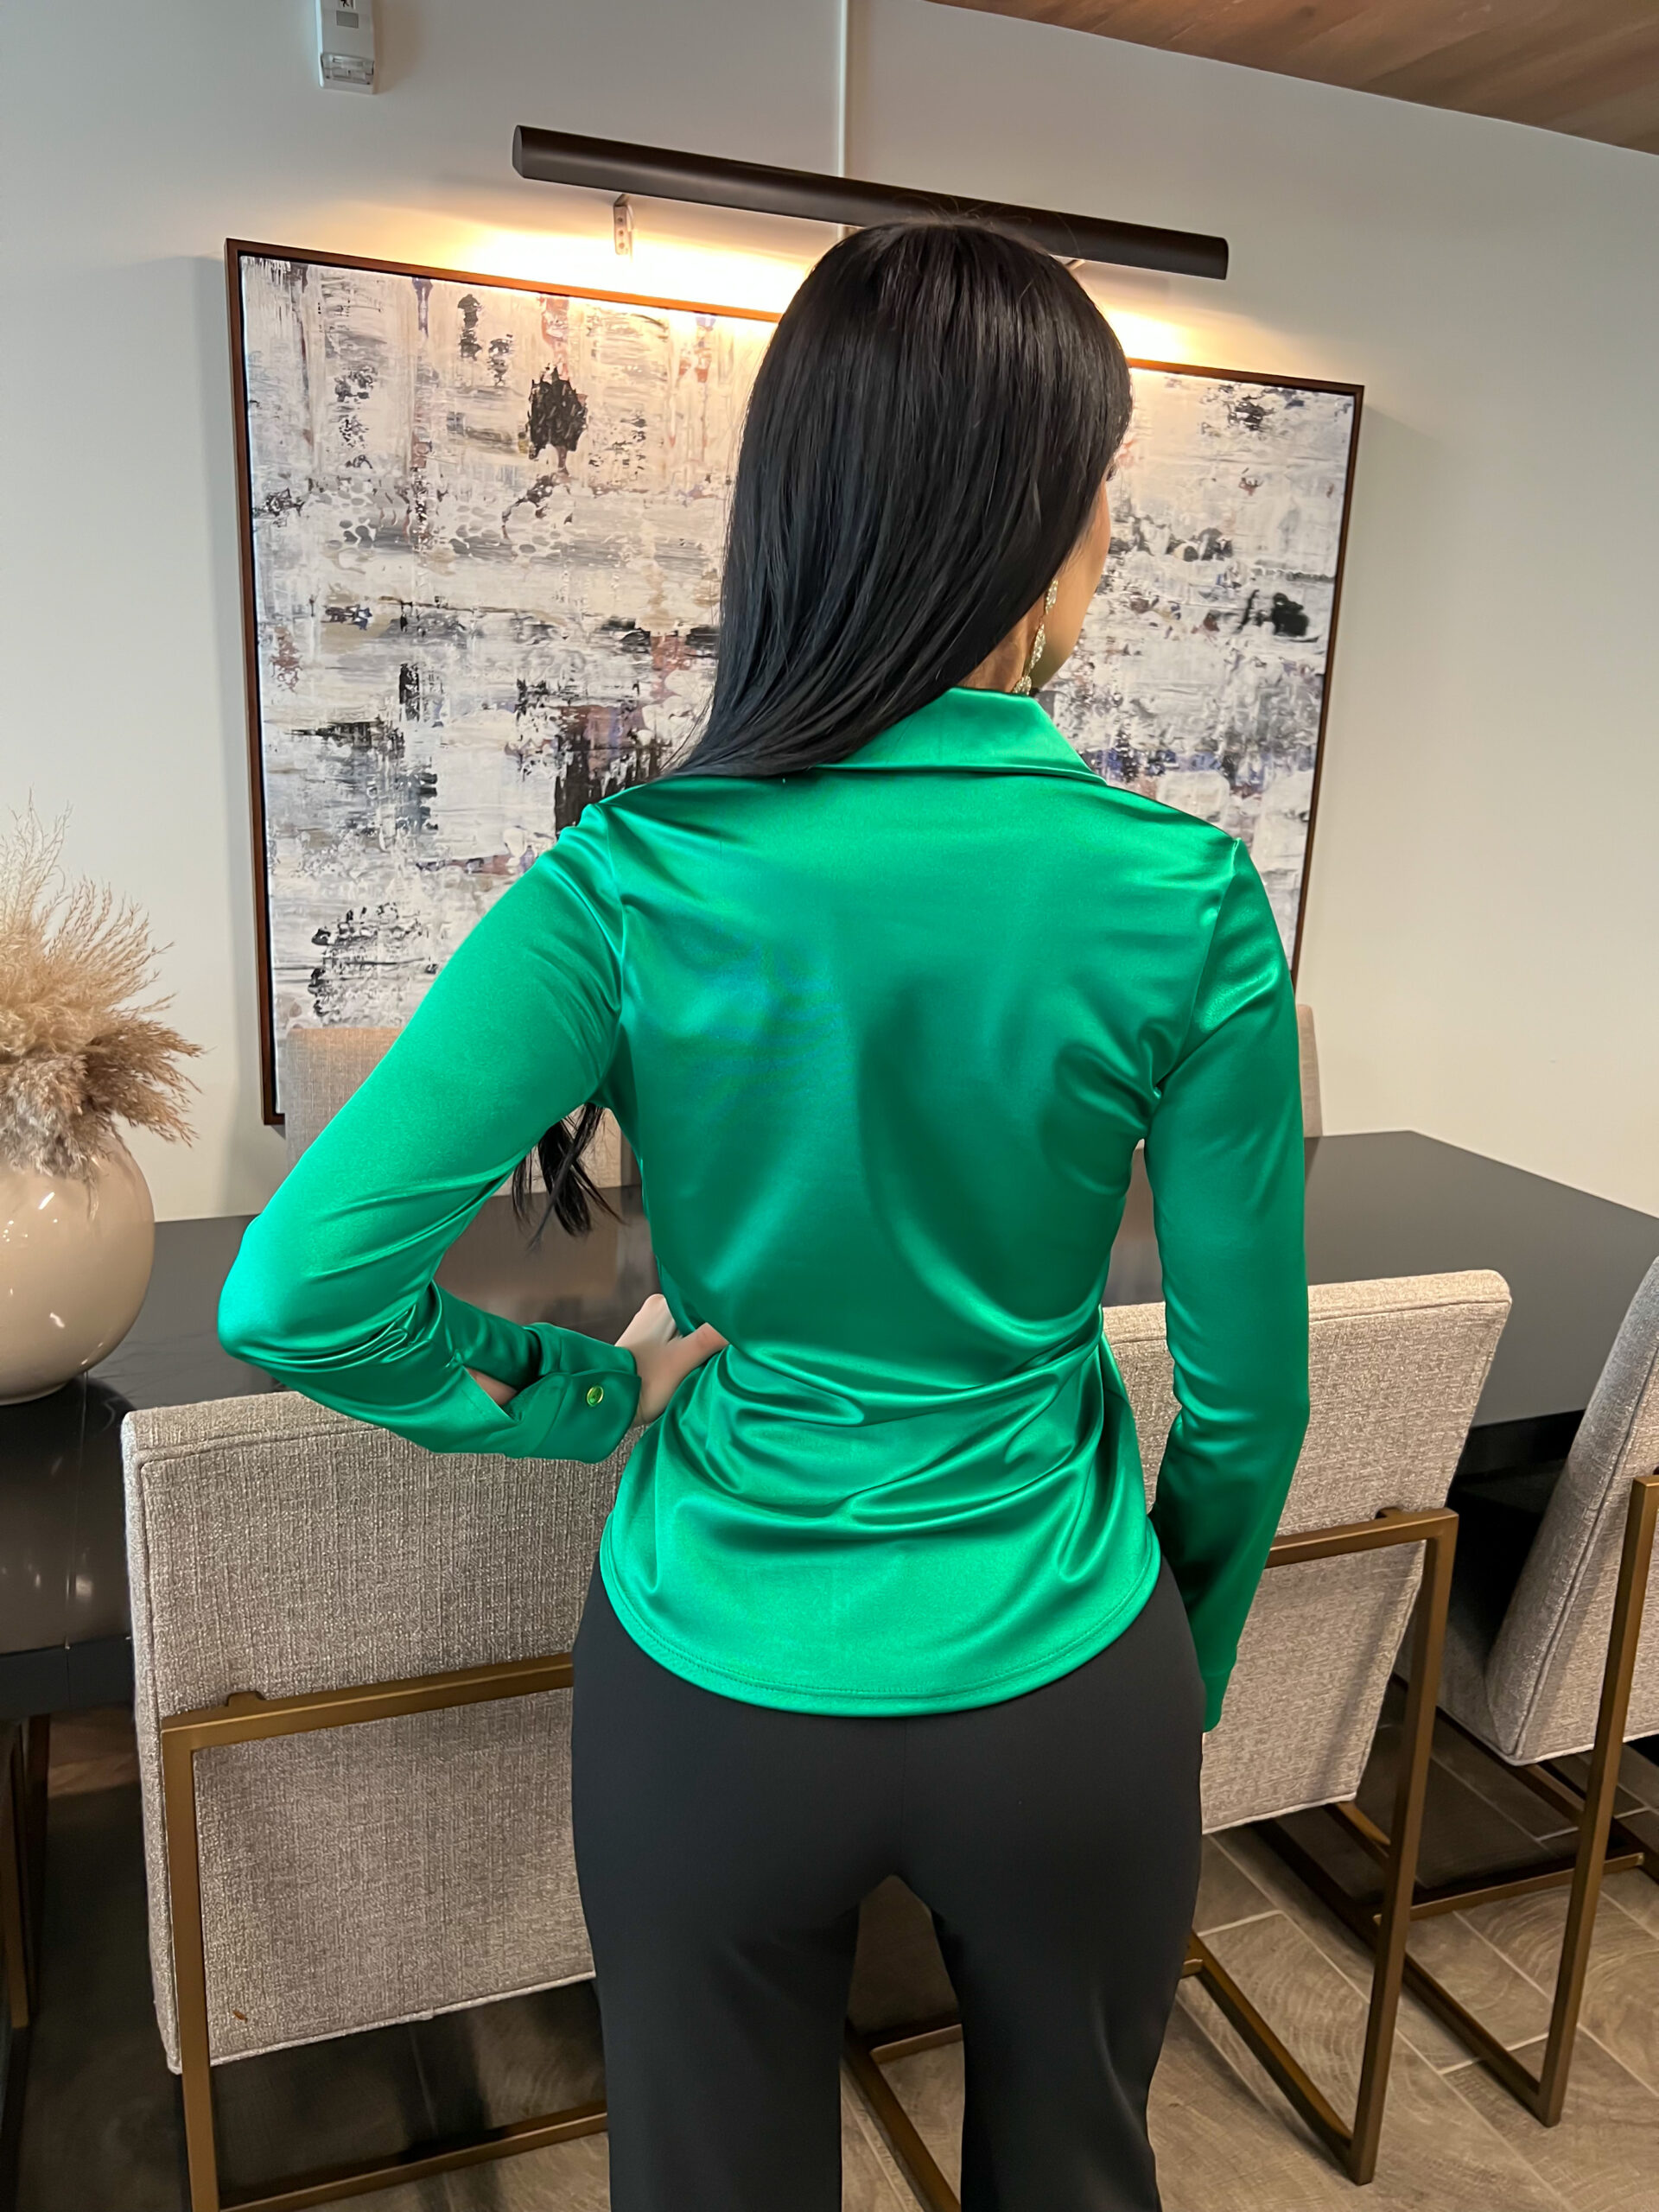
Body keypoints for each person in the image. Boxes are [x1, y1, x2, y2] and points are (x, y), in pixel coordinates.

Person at [219, 219, 1309, 2212]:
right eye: (1100, 495)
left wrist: (581, 1395)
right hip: (1068, 1664)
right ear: (1035, 530)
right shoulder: (1189, 897)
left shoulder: (632, 874)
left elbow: (299, 1287)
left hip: (713, 1678)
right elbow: (1248, 1402)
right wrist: (1181, 1657)